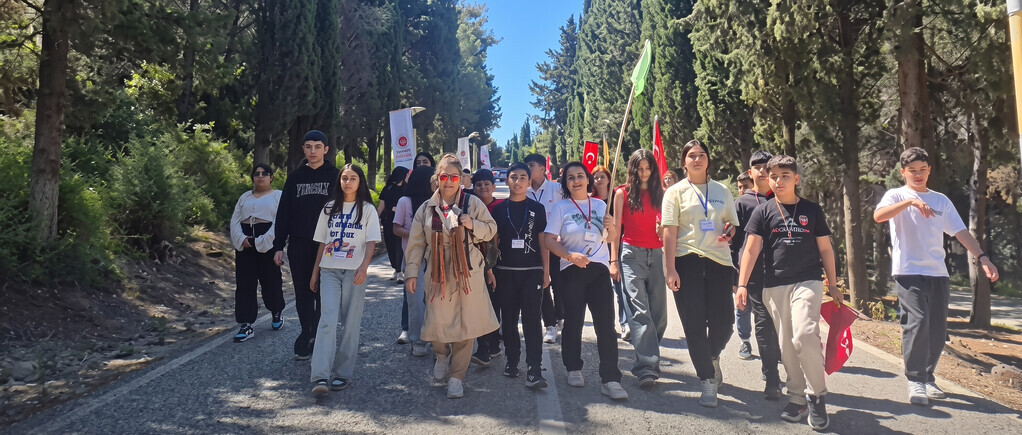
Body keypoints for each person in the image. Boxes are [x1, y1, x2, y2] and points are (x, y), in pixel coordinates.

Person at [873, 147, 999, 406]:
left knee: (937, 328)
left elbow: (960, 232)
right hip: (908, 271)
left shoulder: (941, 200)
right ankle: (915, 379)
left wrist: (982, 257)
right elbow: (878, 216)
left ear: (929, 170)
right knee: (917, 321)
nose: (918, 175)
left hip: (937, 272)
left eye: (922, 170)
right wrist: (910, 201)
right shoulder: (895, 195)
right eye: (912, 171)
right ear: (903, 173)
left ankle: (928, 377)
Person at [736, 155, 841, 430]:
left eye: (785, 175)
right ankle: (797, 398)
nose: (779, 180)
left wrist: (833, 284)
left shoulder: (812, 210)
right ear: (767, 180)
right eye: (774, 176)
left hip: (807, 281)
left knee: (805, 333)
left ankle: (817, 395)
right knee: (787, 346)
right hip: (774, 285)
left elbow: (826, 249)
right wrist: (743, 284)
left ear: (796, 179)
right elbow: (750, 249)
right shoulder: (763, 211)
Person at [404, 154, 499, 399]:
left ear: (460, 179)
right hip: (437, 270)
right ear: (437, 178)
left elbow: (491, 230)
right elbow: (415, 245)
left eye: (454, 177)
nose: (448, 181)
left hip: (467, 269)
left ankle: (457, 376)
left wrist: (471, 224)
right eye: (444, 176)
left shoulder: (473, 203)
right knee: (436, 322)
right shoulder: (426, 208)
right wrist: (412, 274)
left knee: (466, 326)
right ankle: (441, 354)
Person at [662, 140, 739, 408]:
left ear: (708, 160)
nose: (697, 159)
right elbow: (669, 231)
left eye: (701, 155)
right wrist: (669, 268)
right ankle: (707, 380)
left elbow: (731, 224)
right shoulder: (675, 192)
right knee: (694, 325)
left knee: (725, 323)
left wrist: (730, 231)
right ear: (684, 162)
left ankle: (711, 355)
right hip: (687, 261)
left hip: (719, 262)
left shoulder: (721, 190)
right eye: (691, 156)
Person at [544, 161, 628, 400]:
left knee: (606, 325)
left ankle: (611, 378)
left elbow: (609, 237)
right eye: (571, 177)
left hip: (598, 269)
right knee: (573, 323)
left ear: (588, 180)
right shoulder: (561, 208)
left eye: (580, 176)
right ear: (566, 183)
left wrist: (611, 228)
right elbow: (550, 240)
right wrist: (569, 255)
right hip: (572, 268)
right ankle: (573, 367)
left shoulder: (601, 205)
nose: (576, 180)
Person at [308, 164, 381, 395]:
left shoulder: (367, 209)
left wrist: (364, 267)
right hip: (329, 270)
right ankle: (320, 376)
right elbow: (322, 241)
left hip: (354, 272)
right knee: (327, 320)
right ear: (339, 181)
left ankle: (342, 373)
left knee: (350, 323)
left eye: (353, 178)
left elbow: (371, 242)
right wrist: (315, 271)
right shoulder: (329, 208)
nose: (348, 182)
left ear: (360, 182)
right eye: (344, 178)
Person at [273, 130, 340, 360]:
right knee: (303, 292)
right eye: (308, 147)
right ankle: (306, 332)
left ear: (326, 149)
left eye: (317, 147)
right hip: (300, 244)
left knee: (323, 292)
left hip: (329, 245)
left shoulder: (336, 175)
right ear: (303, 149)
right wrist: (278, 245)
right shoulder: (294, 177)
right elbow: (284, 213)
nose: (313, 151)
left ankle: (319, 336)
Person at [608, 149, 666, 387]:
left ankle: (649, 350)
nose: (644, 173)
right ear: (632, 170)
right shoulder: (621, 194)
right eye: (639, 168)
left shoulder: (662, 194)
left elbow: (670, 225)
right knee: (639, 310)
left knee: (659, 315)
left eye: (648, 168)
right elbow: (615, 231)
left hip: (658, 253)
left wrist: (665, 231)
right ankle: (647, 366)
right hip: (631, 254)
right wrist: (613, 261)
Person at [490, 163, 550, 387]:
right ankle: (512, 361)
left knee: (532, 320)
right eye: (513, 177)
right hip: (505, 272)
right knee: (509, 320)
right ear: (507, 180)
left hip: (532, 272)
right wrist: (491, 271)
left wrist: (546, 271)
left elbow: (543, 241)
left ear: (529, 181)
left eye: (523, 177)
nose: (518, 181)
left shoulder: (537, 209)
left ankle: (534, 368)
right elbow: (492, 244)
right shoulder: (497, 209)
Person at [729, 150, 782, 400]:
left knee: (783, 327)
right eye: (757, 167)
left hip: (784, 275)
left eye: (766, 166)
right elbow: (734, 242)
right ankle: (771, 376)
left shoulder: (785, 198)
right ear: (750, 173)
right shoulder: (742, 203)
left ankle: (783, 367)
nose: (762, 170)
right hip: (754, 276)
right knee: (763, 325)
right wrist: (736, 277)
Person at [229, 164, 285, 342]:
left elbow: (280, 221)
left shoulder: (278, 196)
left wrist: (263, 241)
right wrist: (241, 239)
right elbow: (235, 220)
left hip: (267, 243)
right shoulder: (244, 197)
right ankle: (246, 324)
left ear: (271, 177)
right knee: (244, 283)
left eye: (265, 174)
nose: (260, 177)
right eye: (257, 174)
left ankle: (276, 311)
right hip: (245, 244)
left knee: (270, 280)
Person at [393, 166, 436, 355]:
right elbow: (396, 228)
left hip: (436, 258)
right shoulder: (404, 201)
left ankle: (437, 339)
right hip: (413, 258)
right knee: (416, 302)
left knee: (435, 301)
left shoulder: (437, 202)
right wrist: (418, 235)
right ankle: (417, 341)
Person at [523, 153, 564, 344]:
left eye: (531, 165)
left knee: (560, 286)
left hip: (558, 244)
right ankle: (550, 324)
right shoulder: (524, 190)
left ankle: (562, 316)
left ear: (542, 168)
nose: (528, 169)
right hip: (536, 246)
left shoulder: (557, 189)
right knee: (543, 285)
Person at [469, 169, 505, 367]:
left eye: (486, 183)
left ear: (493, 186)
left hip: (499, 263)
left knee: (495, 303)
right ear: (473, 187)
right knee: (480, 304)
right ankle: (484, 346)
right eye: (478, 184)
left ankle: (493, 343)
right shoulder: (468, 207)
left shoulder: (501, 206)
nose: (483, 187)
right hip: (476, 263)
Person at [593, 164, 630, 341]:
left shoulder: (617, 197)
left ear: (609, 179)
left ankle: (625, 323)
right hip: (597, 248)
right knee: (601, 290)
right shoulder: (590, 199)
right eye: (596, 177)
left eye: (602, 176)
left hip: (617, 244)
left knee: (620, 286)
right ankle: (606, 326)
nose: (599, 180)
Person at [378, 167, 409, 284]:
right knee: (390, 245)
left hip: (402, 223)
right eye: (406, 175)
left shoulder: (407, 188)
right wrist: (374, 220)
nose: (407, 177)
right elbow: (381, 206)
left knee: (399, 245)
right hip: (388, 221)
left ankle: (401, 270)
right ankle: (396, 268)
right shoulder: (387, 188)